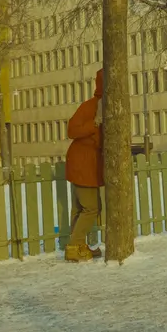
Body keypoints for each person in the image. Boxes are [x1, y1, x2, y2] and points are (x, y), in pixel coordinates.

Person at [64, 69, 103, 260]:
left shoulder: (102, 105)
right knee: (91, 208)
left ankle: (78, 246)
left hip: (86, 164)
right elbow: (72, 130)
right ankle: (75, 246)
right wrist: (94, 125)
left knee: (80, 209)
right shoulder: (91, 106)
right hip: (83, 164)